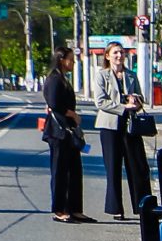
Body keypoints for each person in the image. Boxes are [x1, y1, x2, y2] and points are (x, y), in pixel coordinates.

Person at [93, 41, 152, 219]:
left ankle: (142, 206)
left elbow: (141, 98)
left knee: (138, 167)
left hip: (130, 127)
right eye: (116, 53)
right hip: (110, 126)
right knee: (113, 168)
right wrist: (123, 107)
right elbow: (100, 101)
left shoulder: (131, 76)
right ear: (108, 56)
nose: (119, 56)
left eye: (122, 53)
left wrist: (136, 101)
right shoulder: (101, 75)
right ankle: (115, 208)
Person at [41, 47, 91, 223]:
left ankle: (75, 208)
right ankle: (59, 209)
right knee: (60, 171)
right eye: (70, 59)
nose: (73, 62)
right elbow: (54, 104)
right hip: (58, 132)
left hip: (68, 132)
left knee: (75, 170)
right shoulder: (54, 79)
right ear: (62, 59)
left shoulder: (63, 79)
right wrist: (73, 114)